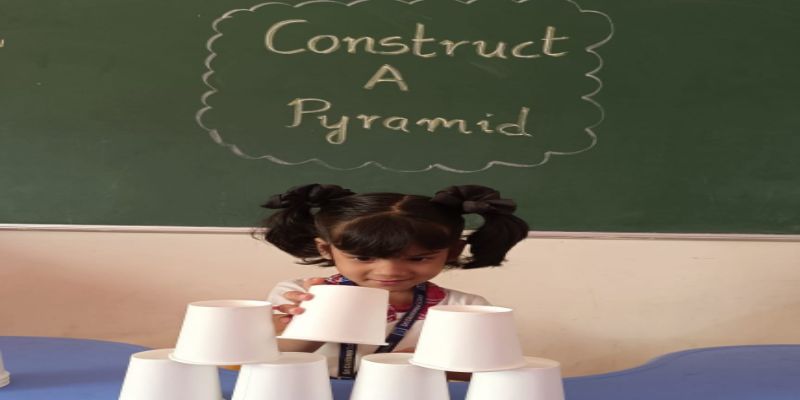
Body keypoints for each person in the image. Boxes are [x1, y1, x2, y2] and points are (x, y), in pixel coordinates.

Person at [261, 183, 529, 378]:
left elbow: (485, 374)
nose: (390, 271)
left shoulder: (466, 308)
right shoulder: (297, 294)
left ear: (453, 251)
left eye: (418, 258)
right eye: (363, 257)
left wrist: (432, 364)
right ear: (326, 249)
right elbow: (272, 362)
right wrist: (310, 319)